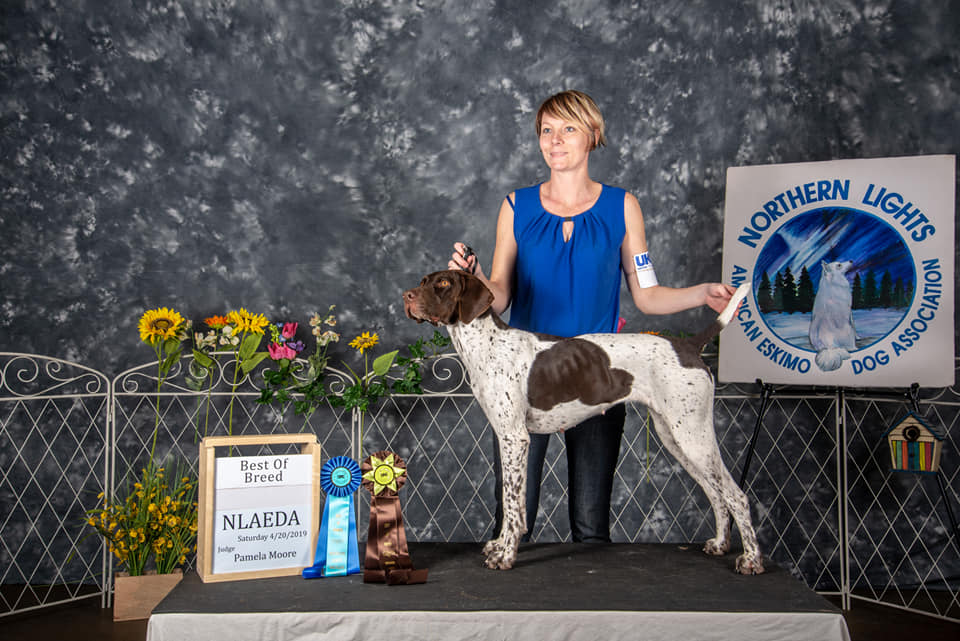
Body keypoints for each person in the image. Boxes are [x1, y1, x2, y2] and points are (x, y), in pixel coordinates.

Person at [448, 89, 735, 543]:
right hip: (527, 373)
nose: (555, 140)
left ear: (592, 135)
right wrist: (476, 277)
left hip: (598, 372)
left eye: (568, 129)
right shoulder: (516, 206)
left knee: (590, 523)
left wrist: (701, 293)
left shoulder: (622, 206)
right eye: (546, 130)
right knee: (513, 519)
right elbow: (498, 297)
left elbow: (647, 295)